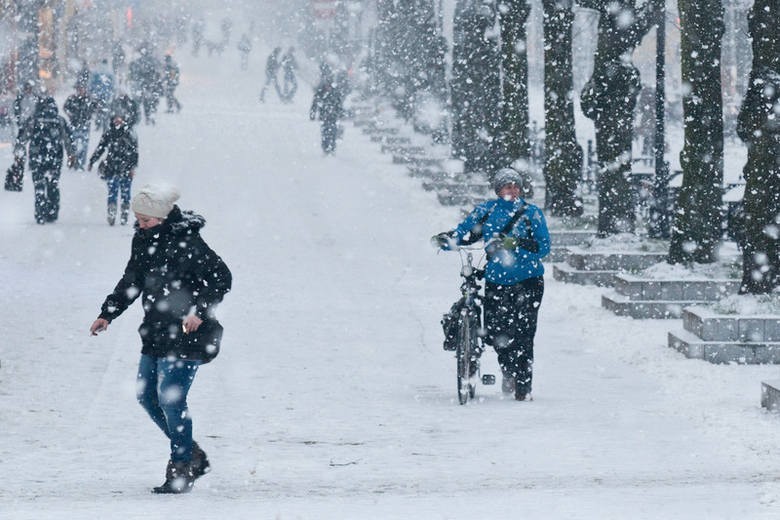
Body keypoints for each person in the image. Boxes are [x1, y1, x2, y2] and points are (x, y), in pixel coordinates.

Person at [89, 183, 232, 494]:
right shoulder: (143, 241)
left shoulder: (188, 242)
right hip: (155, 330)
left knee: (171, 398)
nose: (141, 225)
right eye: (139, 220)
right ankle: (190, 453)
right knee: (146, 396)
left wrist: (200, 311)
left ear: (163, 218)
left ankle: (182, 467)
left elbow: (222, 277)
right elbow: (132, 280)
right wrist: (108, 313)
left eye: (147, 220)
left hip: (188, 332)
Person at [432, 167, 550, 401]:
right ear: (498, 189)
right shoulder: (487, 211)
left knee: (525, 334)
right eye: (507, 186)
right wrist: (446, 241)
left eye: (516, 186)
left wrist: (516, 242)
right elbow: (466, 233)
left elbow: (543, 247)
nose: (512, 190)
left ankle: (522, 386)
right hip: (497, 282)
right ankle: (508, 370)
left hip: (528, 281)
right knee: (498, 333)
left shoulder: (532, 214)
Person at [17, 97, 76, 224]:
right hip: (54, 157)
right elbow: (68, 139)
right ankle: (52, 211)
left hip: (36, 156)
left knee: (38, 185)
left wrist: (19, 154)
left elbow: (22, 138)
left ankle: (40, 212)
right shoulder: (59, 120)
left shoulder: (33, 120)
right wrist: (71, 155)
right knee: (53, 184)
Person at [88, 112, 138, 225]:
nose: (118, 121)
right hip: (111, 167)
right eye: (116, 119)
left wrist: (132, 168)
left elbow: (135, 152)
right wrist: (92, 160)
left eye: (120, 119)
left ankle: (124, 213)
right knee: (112, 191)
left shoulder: (130, 134)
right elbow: (100, 148)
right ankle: (112, 213)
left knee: (126, 193)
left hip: (126, 167)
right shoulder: (109, 133)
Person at [309, 64, 345, 155]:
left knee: (332, 132)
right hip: (325, 115)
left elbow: (339, 103)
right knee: (326, 132)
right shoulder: (322, 91)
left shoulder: (334, 92)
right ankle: (326, 148)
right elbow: (315, 102)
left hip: (332, 115)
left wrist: (340, 112)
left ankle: (331, 148)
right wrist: (313, 113)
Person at [64, 83, 96, 170]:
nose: (81, 91)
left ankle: (81, 163)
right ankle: (74, 161)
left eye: (82, 89)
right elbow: (65, 107)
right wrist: (70, 114)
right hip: (74, 125)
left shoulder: (89, 99)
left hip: (85, 125)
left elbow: (95, 108)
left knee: (84, 146)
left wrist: (89, 116)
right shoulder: (72, 98)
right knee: (73, 145)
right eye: (79, 89)